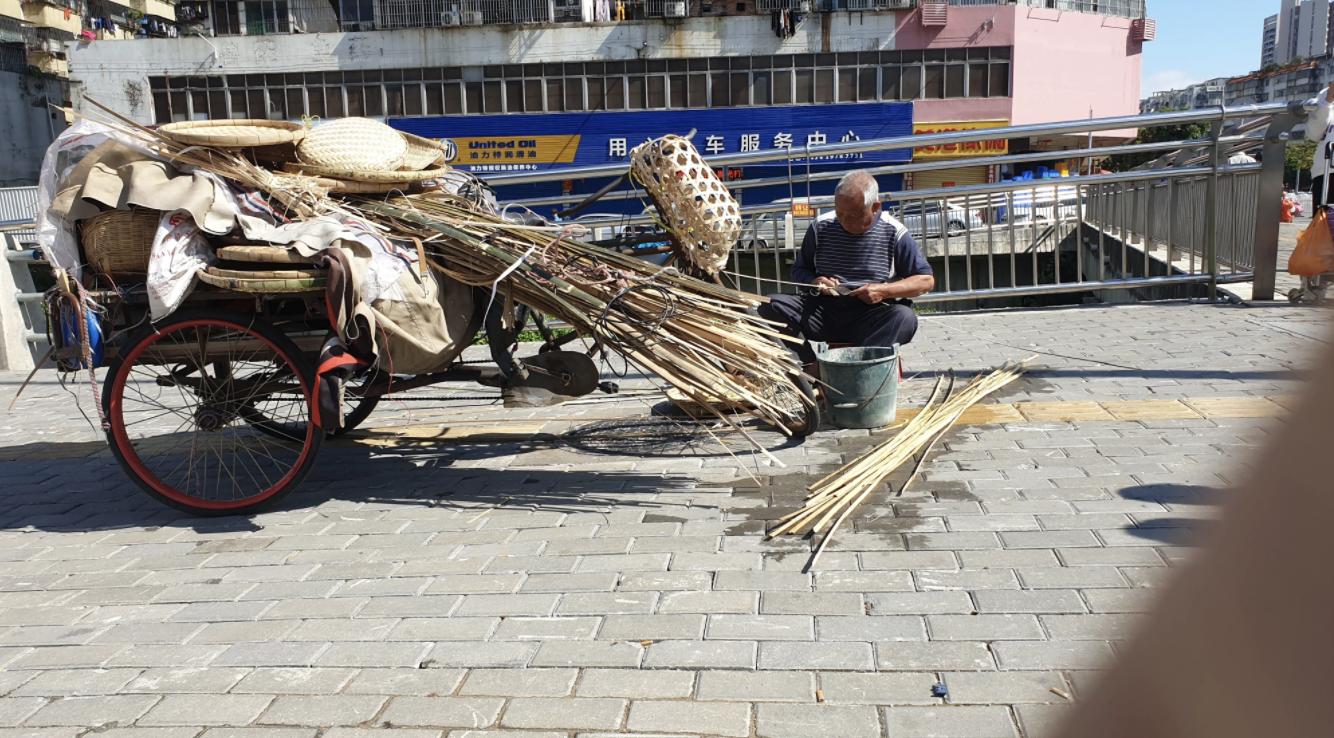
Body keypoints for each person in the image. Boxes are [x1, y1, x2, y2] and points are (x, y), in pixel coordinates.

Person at [757, 170, 935, 366]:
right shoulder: (821, 227)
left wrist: (883, 291)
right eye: (839, 213)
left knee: (904, 318)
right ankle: (809, 366)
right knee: (770, 305)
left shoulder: (894, 231)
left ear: (875, 207)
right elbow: (799, 270)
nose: (844, 221)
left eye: (852, 216)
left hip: (869, 316)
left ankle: (855, 368)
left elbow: (925, 280)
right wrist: (814, 282)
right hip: (824, 312)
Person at [1304, 82, 1334, 208]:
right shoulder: (1326, 93)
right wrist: (1328, 100)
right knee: (1325, 224)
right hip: (1327, 170)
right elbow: (1313, 134)